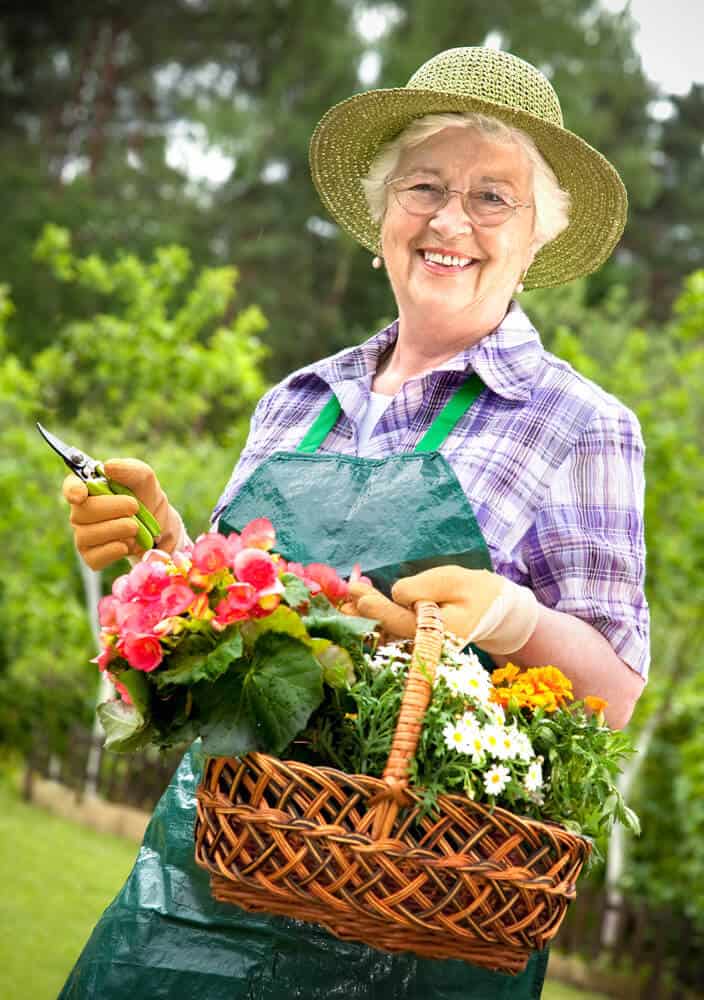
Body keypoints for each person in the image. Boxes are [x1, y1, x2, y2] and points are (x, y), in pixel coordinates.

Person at [58, 46, 648, 999]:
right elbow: (230, 642)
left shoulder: (581, 425)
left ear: (536, 239)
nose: (451, 220)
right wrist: (160, 550)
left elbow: (613, 700)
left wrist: (514, 622)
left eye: (494, 197)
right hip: (201, 899)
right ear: (382, 221)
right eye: (425, 187)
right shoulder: (297, 400)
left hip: (419, 922)